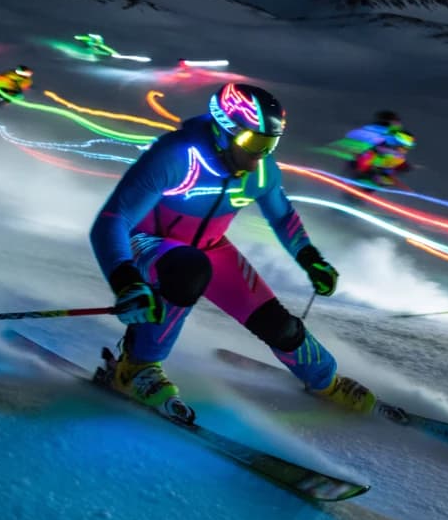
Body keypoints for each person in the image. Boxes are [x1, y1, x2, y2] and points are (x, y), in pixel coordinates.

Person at [89, 81, 377, 423]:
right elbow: (113, 221)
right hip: (150, 241)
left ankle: (325, 381)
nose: (258, 157)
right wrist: (126, 280)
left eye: (268, 145)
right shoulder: (178, 156)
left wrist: (310, 259)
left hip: (211, 249)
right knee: (188, 270)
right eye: (252, 142)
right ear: (224, 129)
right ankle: (134, 369)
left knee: (278, 324)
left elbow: (282, 216)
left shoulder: (262, 170)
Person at [349, 125, 416, 188]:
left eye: (407, 147)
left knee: (385, 176)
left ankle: (366, 182)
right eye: (404, 146)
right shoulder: (383, 142)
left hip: (377, 170)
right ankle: (360, 179)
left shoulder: (398, 156)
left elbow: (392, 166)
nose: (404, 149)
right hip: (365, 165)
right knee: (366, 160)